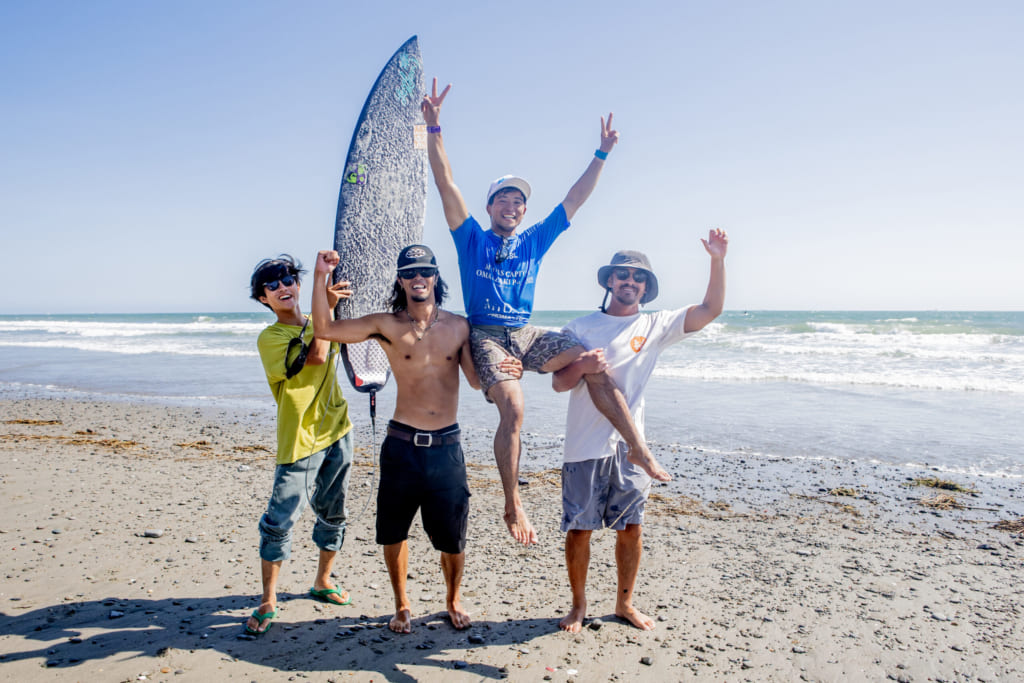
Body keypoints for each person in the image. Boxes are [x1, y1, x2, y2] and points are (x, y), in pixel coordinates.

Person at [421, 78, 670, 548]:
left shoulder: (534, 241)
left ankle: (636, 447)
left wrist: (601, 153)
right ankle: (513, 501)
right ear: (490, 206)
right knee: (514, 408)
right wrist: (434, 128)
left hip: (527, 333)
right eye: (503, 198)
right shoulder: (470, 237)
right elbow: (445, 183)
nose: (512, 205)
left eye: (519, 201)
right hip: (488, 335)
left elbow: (574, 199)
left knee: (594, 362)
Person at [310, 244, 522, 634]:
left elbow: (477, 381)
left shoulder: (459, 327)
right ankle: (402, 604)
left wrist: (507, 370)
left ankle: (453, 599)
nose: (418, 278)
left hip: (446, 448)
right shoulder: (387, 325)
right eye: (409, 273)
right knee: (393, 532)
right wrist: (320, 275)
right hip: (401, 446)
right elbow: (324, 329)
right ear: (401, 280)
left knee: (453, 537)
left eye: (424, 271)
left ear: (435, 277)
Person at [551, 231, 728, 633]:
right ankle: (578, 606)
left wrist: (717, 260)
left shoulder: (654, 325)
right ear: (609, 281)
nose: (630, 281)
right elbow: (559, 383)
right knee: (580, 529)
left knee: (631, 528)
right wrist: (581, 366)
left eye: (638, 277)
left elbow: (711, 309)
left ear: (646, 288)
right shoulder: (578, 327)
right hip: (584, 445)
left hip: (630, 449)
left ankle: (624, 603)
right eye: (623, 274)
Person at [245, 255, 355, 637]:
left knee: (334, 512)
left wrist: (328, 306)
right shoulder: (271, 338)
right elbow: (318, 355)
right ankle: (268, 600)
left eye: (288, 279)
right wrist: (322, 288)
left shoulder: (318, 320)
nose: (283, 287)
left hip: (338, 429)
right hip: (300, 440)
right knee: (279, 521)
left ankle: (323, 580)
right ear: (263, 299)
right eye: (272, 285)